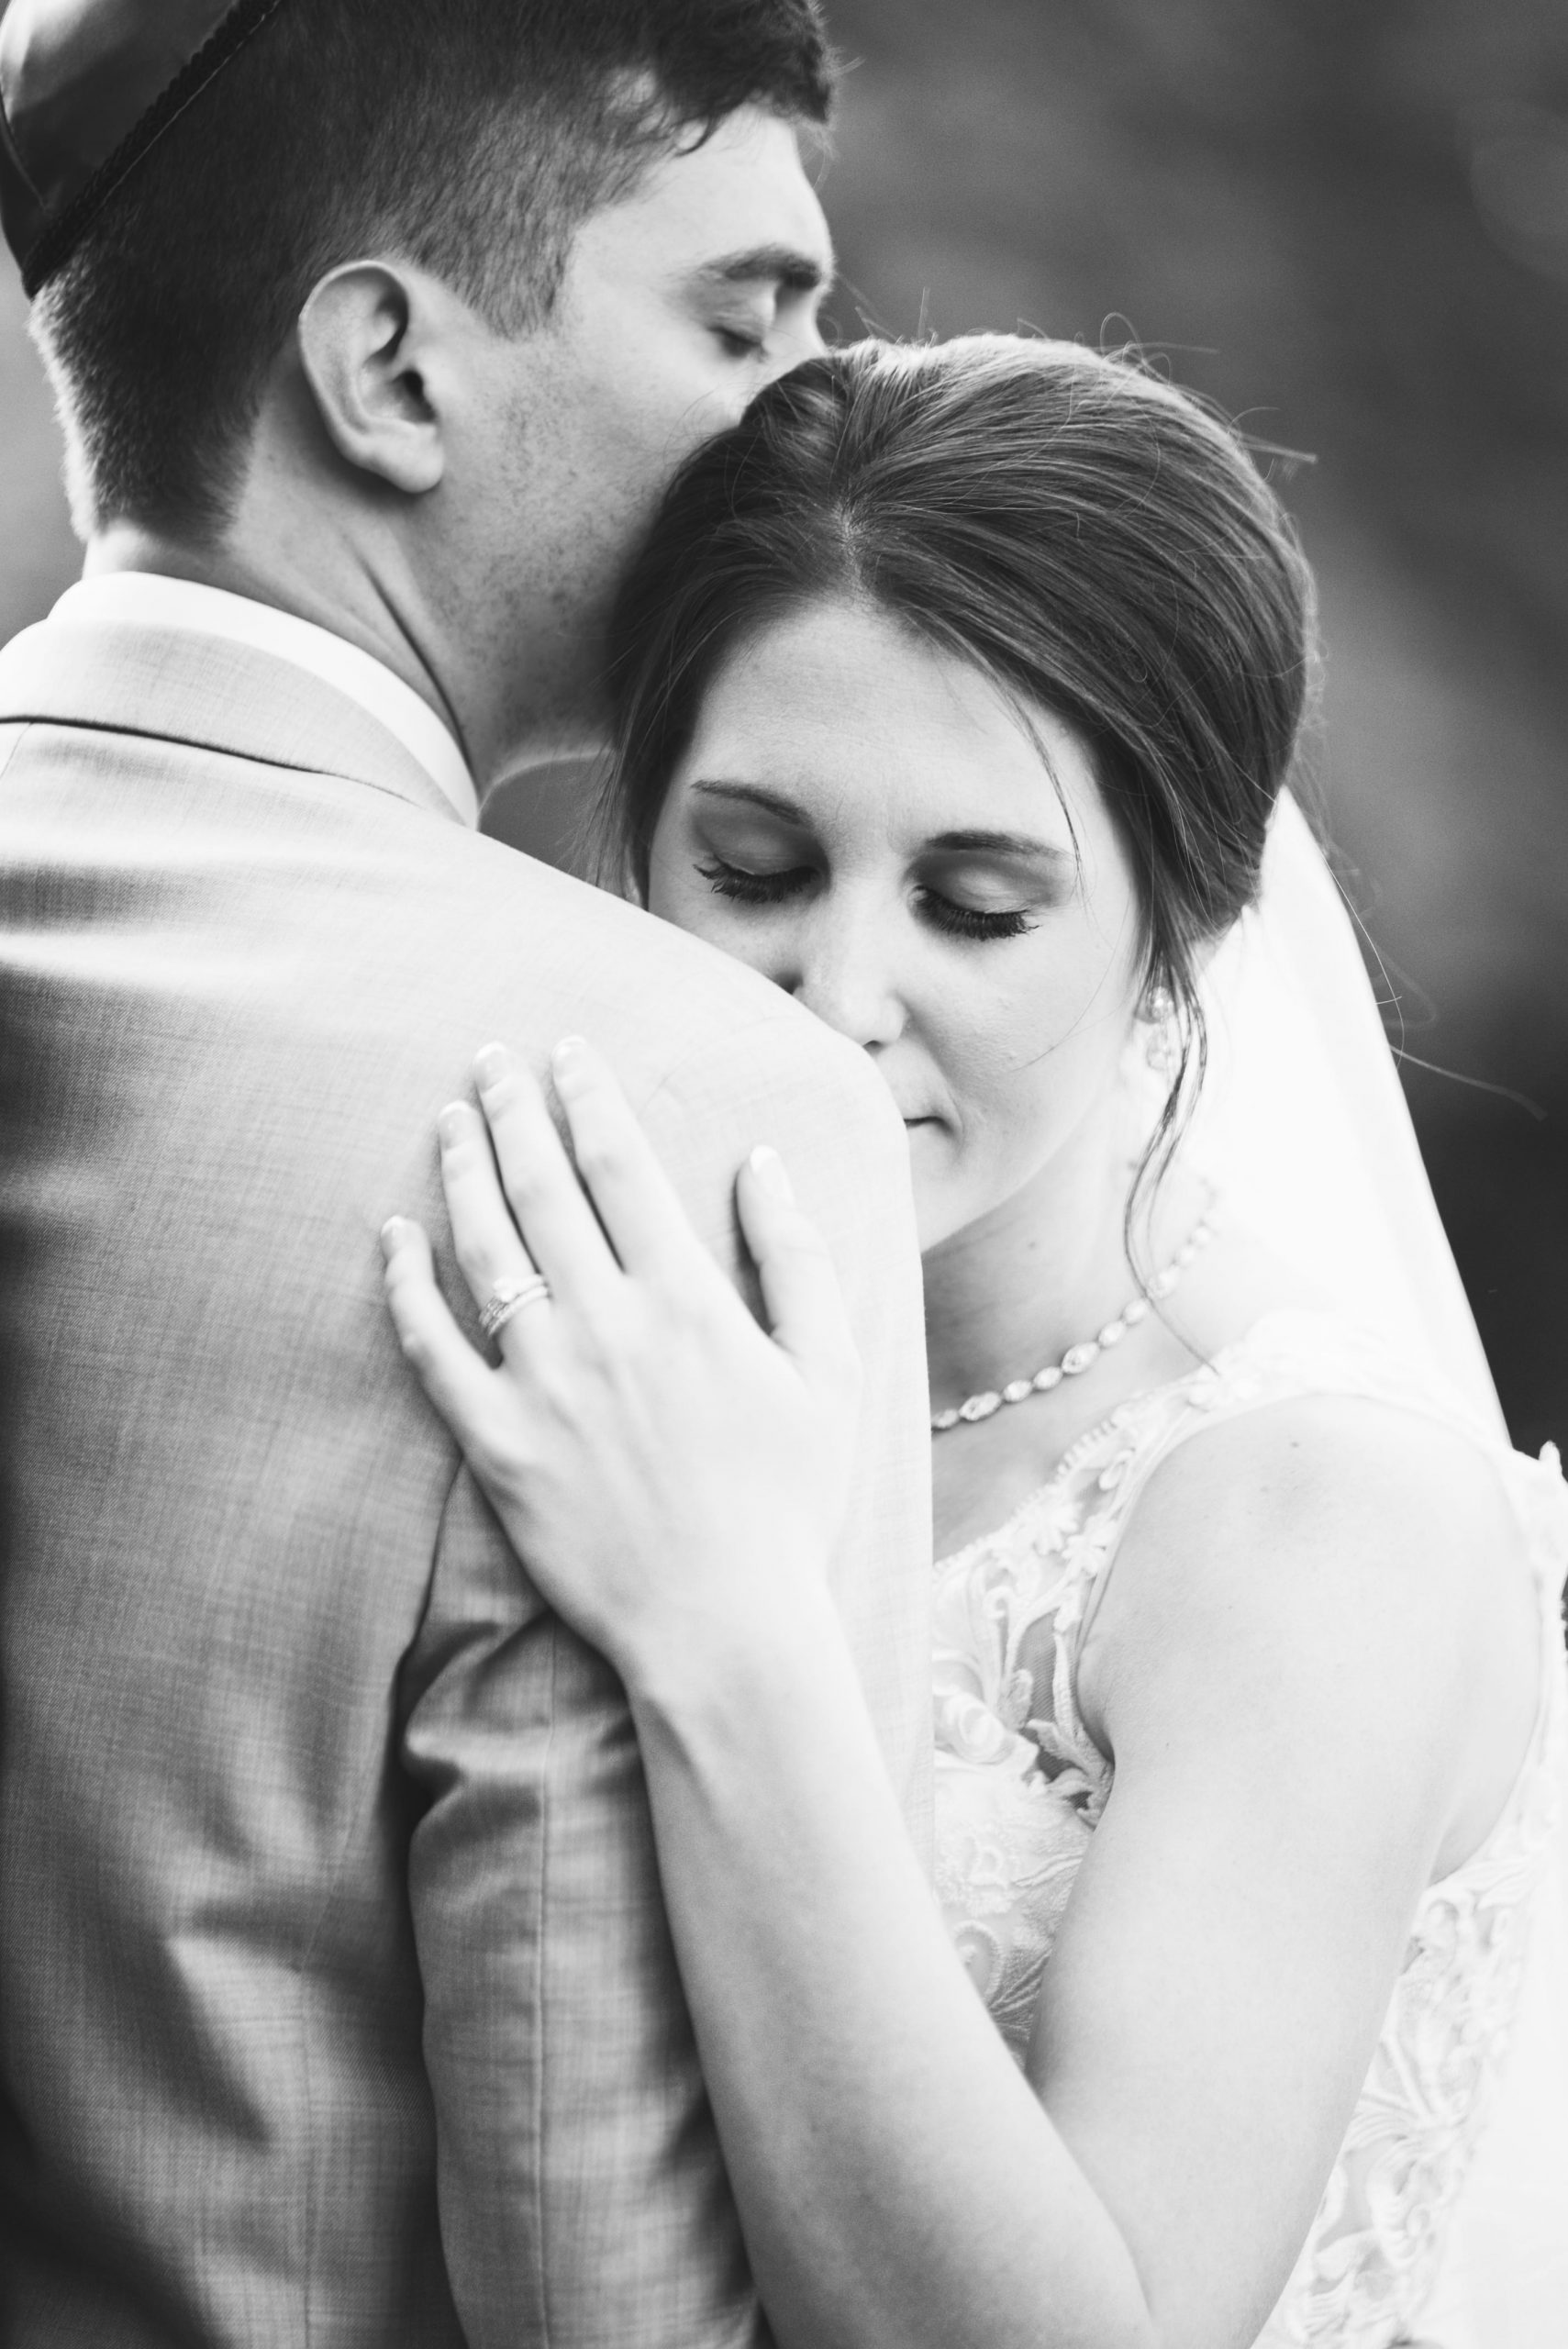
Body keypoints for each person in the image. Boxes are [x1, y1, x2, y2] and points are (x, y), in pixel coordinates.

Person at [384, 337, 1568, 2349]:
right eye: (753, 867)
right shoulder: (610, 1336)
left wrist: (728, 1626)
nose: (838, 993)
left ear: (1188, 926)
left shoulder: (1318, 1515)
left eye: (977, 903)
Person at [0, 6, 936, 2343]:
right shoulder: (660, 1111)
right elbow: (594, 2273)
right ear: (392, 368)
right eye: (744, 316)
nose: (818, 408)